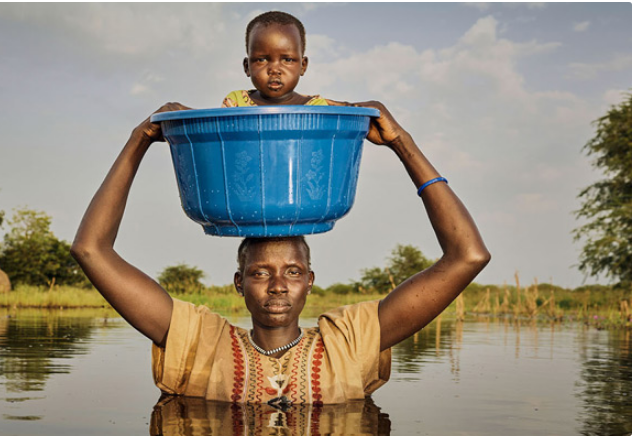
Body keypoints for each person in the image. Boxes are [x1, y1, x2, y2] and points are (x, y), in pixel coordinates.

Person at [71, 12, 490, 406]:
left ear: (310, 281)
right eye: (259, 273)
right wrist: (139, 139)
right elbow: (90, 250)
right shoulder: (199, 342)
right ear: (238, 282)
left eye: (291, 272)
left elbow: (468, 256)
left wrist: (403, 143)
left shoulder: (349, 342)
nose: (277, 286)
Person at [222, 11, 328, 107]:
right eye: (261, 60)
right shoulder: (236, 102)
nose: (274, 70)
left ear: (303, 66)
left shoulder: (316, 107)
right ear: (247, 67)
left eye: (287, 60)